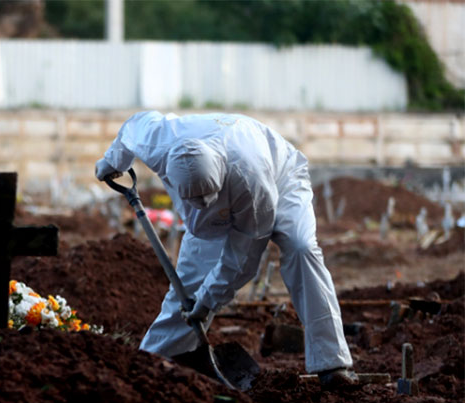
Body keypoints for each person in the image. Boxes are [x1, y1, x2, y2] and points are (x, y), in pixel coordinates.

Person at [95, 111, 357, 388]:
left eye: (207, 197)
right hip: (217, 200)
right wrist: (112, 162)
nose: (202, 204)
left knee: (300, 248)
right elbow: (131, 129)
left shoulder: (252, 183)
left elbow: (242, 260)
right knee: (188, 289)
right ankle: (153, 363)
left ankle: (332, 362)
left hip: (281, 179)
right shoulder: (157, 141)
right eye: (194, 199)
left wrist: (208, 301)